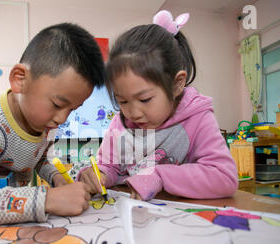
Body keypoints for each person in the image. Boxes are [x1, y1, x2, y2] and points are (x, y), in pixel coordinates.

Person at [0, 23, 105, 226]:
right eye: (58, 104)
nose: (62, 119)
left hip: (16, 229)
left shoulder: (46, 123)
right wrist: (46, 199)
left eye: (73, 109)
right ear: (19, 79)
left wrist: (57, 177)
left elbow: (40, 157)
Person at [79, 11, 238, 201]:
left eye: (145, 99)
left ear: (176, 84)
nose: (133, 113)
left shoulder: (198, 118)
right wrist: (100, 175)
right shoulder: (120, 123)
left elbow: (224, 178)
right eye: (123, 101)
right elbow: (111, 166)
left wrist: (161, 175)